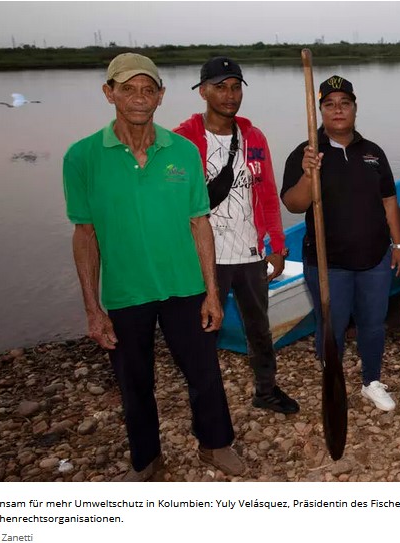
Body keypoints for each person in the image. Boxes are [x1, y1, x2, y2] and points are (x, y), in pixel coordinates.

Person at [62, 53, 244, 481]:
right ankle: (147, 459)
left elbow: (200, 223)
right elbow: (85, 234)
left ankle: (215, 444)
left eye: (148, 90)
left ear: (161, 96)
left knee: (204, 372)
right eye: (127, 89)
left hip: (185, 286)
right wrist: (92, 308)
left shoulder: (181, 150)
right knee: (134, 382)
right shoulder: (82, 157)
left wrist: (213, 292)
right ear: (109, 93)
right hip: (125, 293)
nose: (139, 99)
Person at [173, 56, 300, 415]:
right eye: (220, 87)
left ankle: (266, 390)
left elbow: (268, 193)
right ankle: (207, 406)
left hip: (250, 253)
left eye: (235, 87)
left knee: (259, 330)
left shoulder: (254, 137)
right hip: (206, 257)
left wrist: (277, 245)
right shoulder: (183, 140)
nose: (229, 95)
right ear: (202, 91)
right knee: (203, 335)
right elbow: (172, 201)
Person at [281, 75, 400, 412]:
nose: (338, 110)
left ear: (354, 108)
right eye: (330, 104)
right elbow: (293, 204)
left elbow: (389, 201)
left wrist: (398, 245)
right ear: (320, 110)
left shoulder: (372, 153)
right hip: (328, 262)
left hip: (374, 260)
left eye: (344, 103)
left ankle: (372, 381)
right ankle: (330, 376)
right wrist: (309, 176)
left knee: (373, 322)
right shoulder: (306, 154)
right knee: (331, 324)